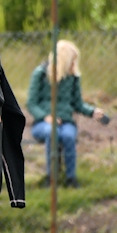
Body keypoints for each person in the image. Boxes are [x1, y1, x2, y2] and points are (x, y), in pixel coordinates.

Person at [27, 40, 104, 188]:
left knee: (68, 136)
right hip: (44, 123)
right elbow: (31, 103)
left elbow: (78, 103)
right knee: (52, 133)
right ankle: (52, 178)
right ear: (65, 59)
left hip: (67, 122)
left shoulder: (73, 77)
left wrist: (93, 112)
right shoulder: (40, 74)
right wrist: (46, 117)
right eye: (73, 60)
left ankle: (70, 179)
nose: (75, 64)